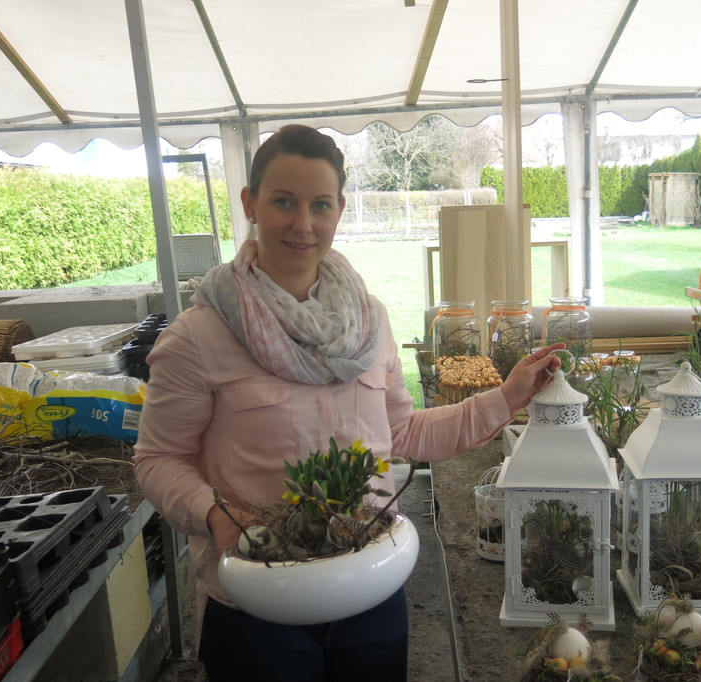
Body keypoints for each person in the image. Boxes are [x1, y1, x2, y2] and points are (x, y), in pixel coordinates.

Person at [133, 124, 563, 682]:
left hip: (369, 593)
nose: (303, 224)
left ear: (339, 209)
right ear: (250, 204)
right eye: (283, 202)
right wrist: (214, 514)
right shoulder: (200, 334)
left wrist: (505, 398)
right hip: (260, 602)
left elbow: (401, 433)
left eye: (320, 204)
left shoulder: (369, 321)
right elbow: (157, 459)